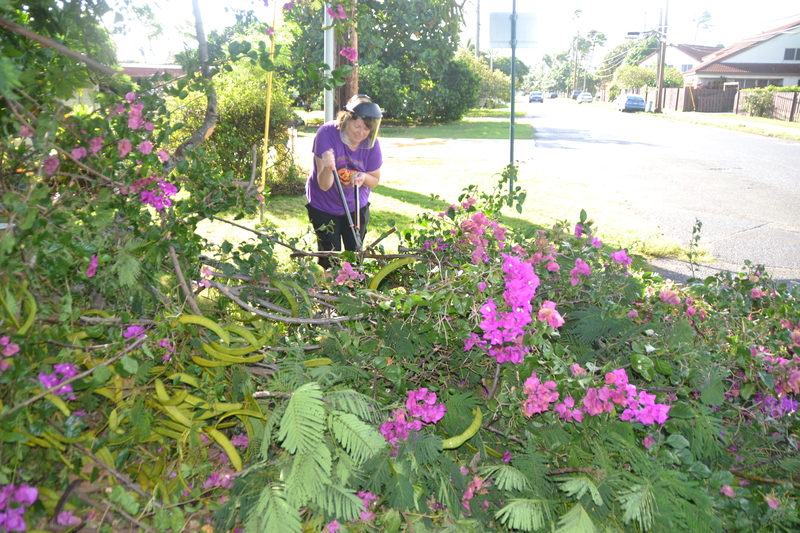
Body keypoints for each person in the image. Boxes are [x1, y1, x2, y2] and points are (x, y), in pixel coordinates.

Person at [305, 94, 383, 269]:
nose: (361, 133)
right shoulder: (326, 133)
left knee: (354, 257)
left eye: (366, 129)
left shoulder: (372, 144)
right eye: (357, 126)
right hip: (324, 205)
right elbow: (324, 185)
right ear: (346, 119)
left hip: (355, 206)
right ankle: (329, 294)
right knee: (330, 259)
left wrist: (363, 178)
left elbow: (374, 180)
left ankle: (353, 292)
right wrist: (327, 166)